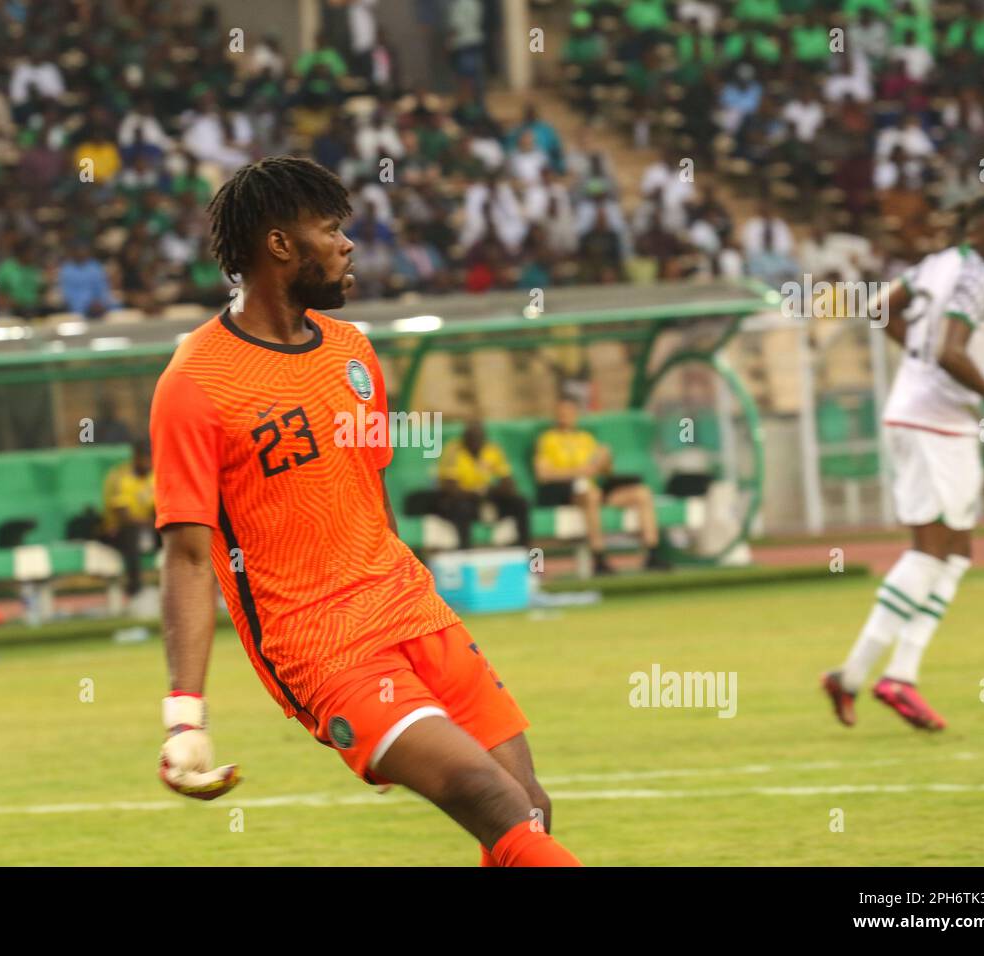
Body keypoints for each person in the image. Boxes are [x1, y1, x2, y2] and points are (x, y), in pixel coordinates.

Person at [150, 156, 579, 866]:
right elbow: (189, 556)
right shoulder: (194, 383)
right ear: (281, 246)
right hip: (319, 643)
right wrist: (183, 718)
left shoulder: (353, 352)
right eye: (330, 229)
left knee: (526, 802)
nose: (348, 245)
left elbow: (370, 499)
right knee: (491, 798)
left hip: (408, 607)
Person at [822, 195, 984, 731]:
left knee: (956, 552)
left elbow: (880, 309)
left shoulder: (938, 264)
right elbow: (950, 351)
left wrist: (920, 360)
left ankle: (898, 674)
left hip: (933, 420)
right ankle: (859, 674)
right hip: (932, 424)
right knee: (931, 551)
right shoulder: (977, 277)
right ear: (974, 234)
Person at [533, 398, 671, 575]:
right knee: (591, 495)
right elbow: (543, 474)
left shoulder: (586, 439)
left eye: (569, 412)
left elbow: (602, 472)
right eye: (561, 413)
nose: (565, 417)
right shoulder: (547, 440)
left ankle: (652, 553)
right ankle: (598, 558)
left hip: (595, 489)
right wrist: (581, 471)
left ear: (576, 415)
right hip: (565, 492)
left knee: (642, 493)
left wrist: (604, 461)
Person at [427, 420, 530, 550]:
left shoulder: (492, 450)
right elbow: (450, 487)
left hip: (489, 496)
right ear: (465, 438)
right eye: (472, 439)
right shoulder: (453, 451)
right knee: (462, 507)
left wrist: (490, 491)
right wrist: (474, 493)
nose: (476, 443)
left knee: (520, 502)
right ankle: (465, 549)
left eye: (479, 439)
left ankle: (524, 547)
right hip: (464, 500)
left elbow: (508, 482)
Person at [100, 438, 159, 614]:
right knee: (131, 533)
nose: (148, 463)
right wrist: (152, 523)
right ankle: (135, 592)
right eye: (145, 459)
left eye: (151, 459)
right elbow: (123, 516)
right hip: (117, 532)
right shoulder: (120, 477)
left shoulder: (155, 476)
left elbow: (160, 508)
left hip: (149, 529)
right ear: (136, 457)